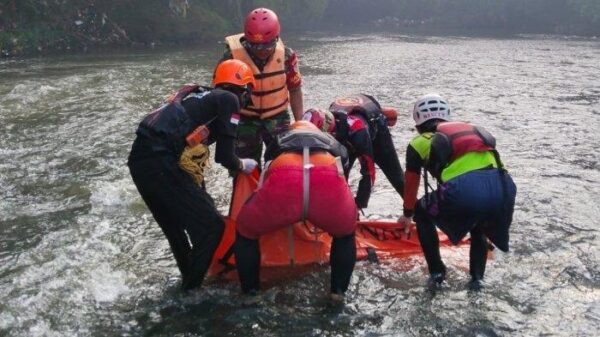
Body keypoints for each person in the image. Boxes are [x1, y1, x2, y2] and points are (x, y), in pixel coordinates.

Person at [128, 60, 259, 290]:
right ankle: (190, 293)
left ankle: (189, 281)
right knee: (212, 226)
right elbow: (225, 158)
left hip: (140, 162)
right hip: (162, 159)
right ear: (244, 88)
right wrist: (242, 164)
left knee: (175, 228)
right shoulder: (230, 99)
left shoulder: (196, 96)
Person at [398, 94, 517, 289]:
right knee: (478, 224)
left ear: (418, 122)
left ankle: (437, 273)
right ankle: (477, 280)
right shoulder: (471, 131)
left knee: (422, 210)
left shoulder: (418, 143)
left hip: (467, 190)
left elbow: (411, 184)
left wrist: (408, 214)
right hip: (504, 188)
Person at [234, 121, 357, 299]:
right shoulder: (334, 143)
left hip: (285, 174)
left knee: (245, 230)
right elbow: (343, 181)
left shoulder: (279, 140)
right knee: (345, 234)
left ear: (292, 130)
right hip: (326, 174)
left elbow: (267, 176)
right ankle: (337, 294)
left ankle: (251, 294)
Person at [218, 7, 304, 167]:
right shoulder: (231, 56)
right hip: (244, 119)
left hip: (277, 117)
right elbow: (220, 95)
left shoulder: (287, 56)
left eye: (267, 46)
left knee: (283, 164)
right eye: (255, 46)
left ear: (276, 39)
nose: (261, 51)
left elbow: (295, 88)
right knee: (244, 169)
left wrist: (300, 123)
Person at [304, 93, 404, 210]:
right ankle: (340, 211)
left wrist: (359, 204)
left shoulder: (357, 132)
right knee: (339, 178)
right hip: (344, 137)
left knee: (396, 177)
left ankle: (413, 212)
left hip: (375, 134)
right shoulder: (324, 131)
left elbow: (369, 173)